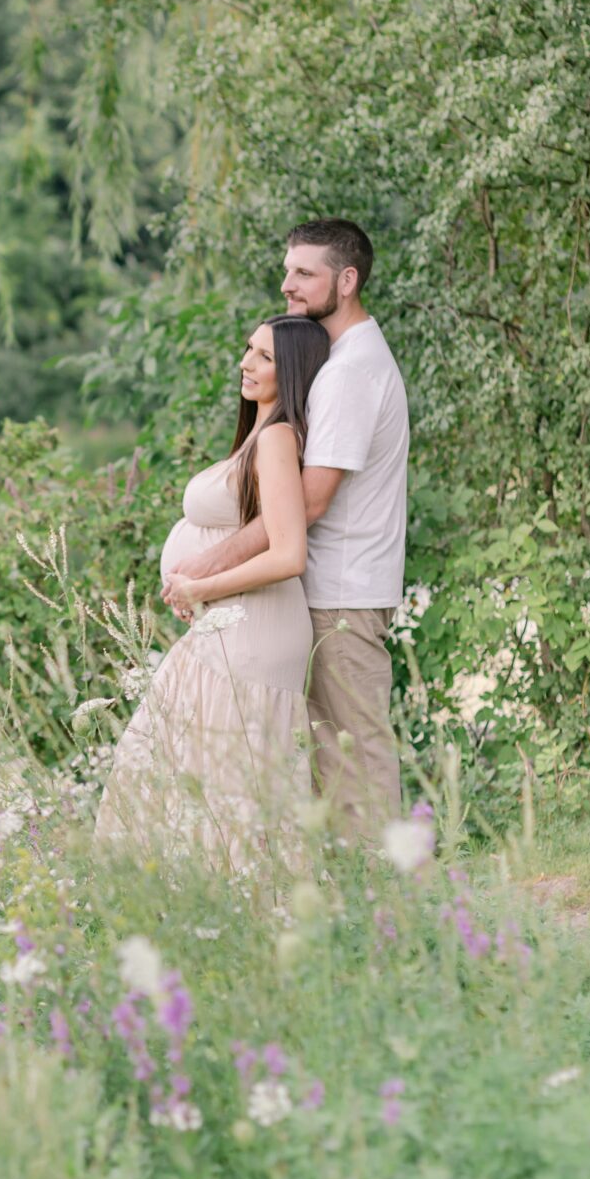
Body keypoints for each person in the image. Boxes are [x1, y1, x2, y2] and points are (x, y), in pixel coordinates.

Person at [164, 219, 409, 840]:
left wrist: (207, 571)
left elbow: (306, 505)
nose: (287, 284)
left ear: (346, 281)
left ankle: (393, 901)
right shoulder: (338, 362)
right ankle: (358, 896)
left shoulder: (351, 372)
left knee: (354, 750)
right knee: (328, 752)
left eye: (304, 273)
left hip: (342, 595)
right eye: (287, 269)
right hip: (322, 594)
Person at [92, 315, 330, 873]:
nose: (246, 363)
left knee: (230, 786)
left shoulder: (276, 437)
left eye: (264, 357)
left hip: (255, 631)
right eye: (248, 350)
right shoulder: (261, 433)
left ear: (292, 369)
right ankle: (207, 915)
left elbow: (288, 553)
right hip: (230, 624)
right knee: (201, 775)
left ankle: (246, 915)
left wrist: (201, 586)